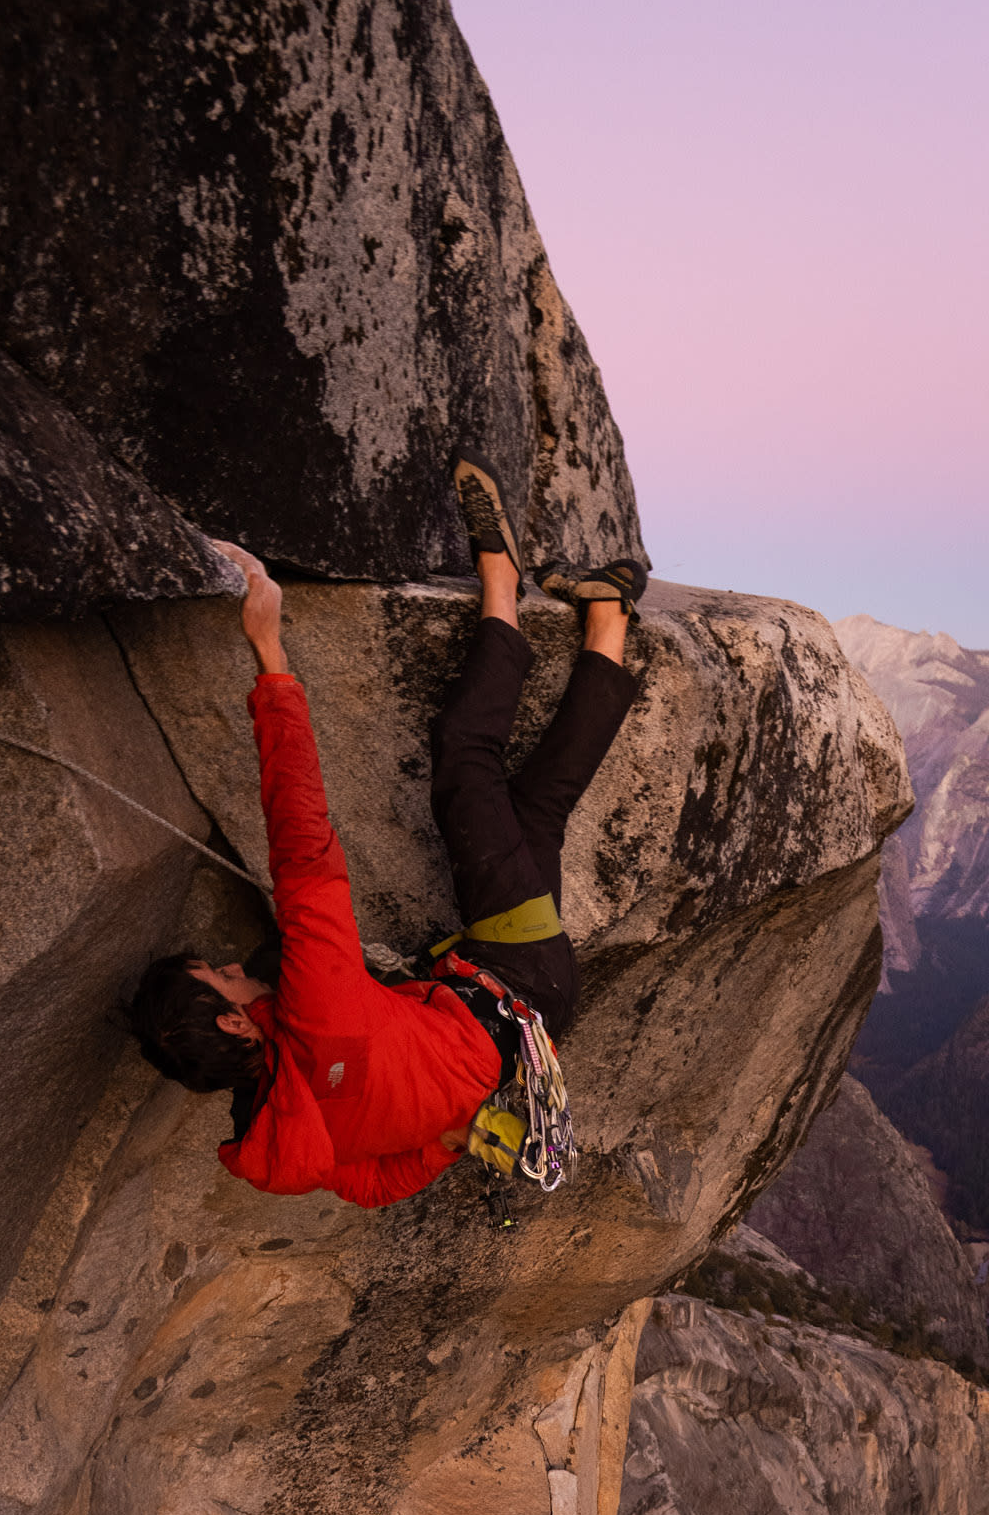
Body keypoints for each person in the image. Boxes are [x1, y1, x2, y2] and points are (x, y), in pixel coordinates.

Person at [126, 462, 646, 1207]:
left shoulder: (283, 1135)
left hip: (534, 1014)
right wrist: (271, 656)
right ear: (234, 1019)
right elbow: (301, 843)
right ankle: (503, 587)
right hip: (513, 968)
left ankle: (608, 621)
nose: (233, 962)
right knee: (464, 755)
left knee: (536, 811)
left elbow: (374, 1186)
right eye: (220, 973)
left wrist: (448, 1138)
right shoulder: (313, 1006)